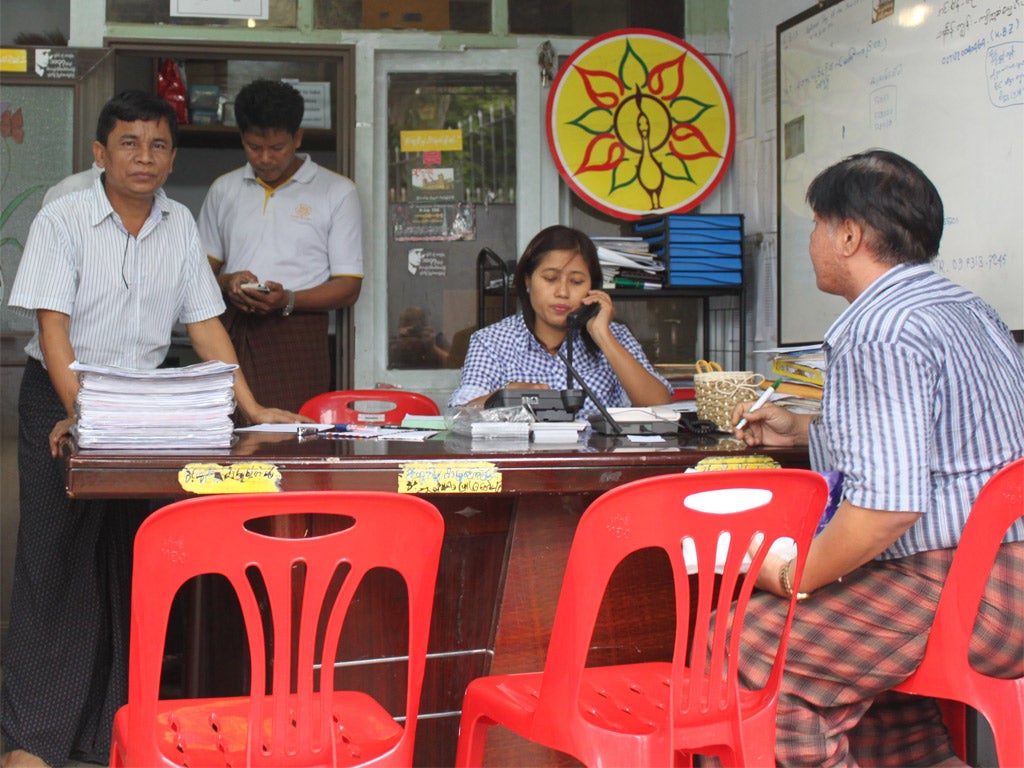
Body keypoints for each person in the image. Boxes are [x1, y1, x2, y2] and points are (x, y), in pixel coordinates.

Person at [1, 90, 305, 768]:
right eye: (130, 144)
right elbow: (52, 326)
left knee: (125, 562)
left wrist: (251, 410)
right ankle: (34, 741)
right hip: (62, 401)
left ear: (172, 156)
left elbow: (204, 326)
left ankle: (107, 730)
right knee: (56, 565)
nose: (145, 157)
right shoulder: (65, 216)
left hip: (140, 409)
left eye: (159, 145)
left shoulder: (178, 225)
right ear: (100, 153)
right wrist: (81, 410)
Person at [730, 150, 1024, 767]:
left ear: (849, 235)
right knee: (853, 650)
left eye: (815, 224)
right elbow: (938, 437)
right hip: (1003, 573)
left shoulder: (880, 330)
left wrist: (793, 575)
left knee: (744, 648)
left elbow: (886, 511)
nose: (810, 240)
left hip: (971, 587)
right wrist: (803, 428)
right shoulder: (969, 311)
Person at [198, 78, 364, 416]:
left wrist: (287, 299)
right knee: (226, 434)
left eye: (277, 147)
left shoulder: (336, 191)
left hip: (297, 335)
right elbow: (197, 274)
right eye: (254, 146)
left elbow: (348, 288)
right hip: (231, 330)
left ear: (298, 138)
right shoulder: (224, 189)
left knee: (292, 436)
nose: (265, 158)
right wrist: (227, 282)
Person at [449, 225, 672, 416]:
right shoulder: (492, 341)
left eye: (576, 282)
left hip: (599, 465)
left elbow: (661, 409)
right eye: (550, 278)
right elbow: (459, 416)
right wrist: (503, 395)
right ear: (528, 280)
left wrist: (603, 337)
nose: (563, 292)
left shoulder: (616, 336)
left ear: (592, 289)